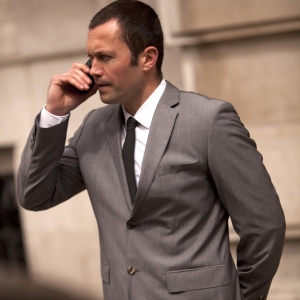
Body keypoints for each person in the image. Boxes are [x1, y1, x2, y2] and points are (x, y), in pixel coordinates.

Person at [17, 1, 285, 299]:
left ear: (147, 57)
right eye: (90, 57)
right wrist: (55, 113)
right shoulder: (93, 128)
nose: (92, 70)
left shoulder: (208, 120)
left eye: (104, 57)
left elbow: (264, 226)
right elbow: (34, 195)